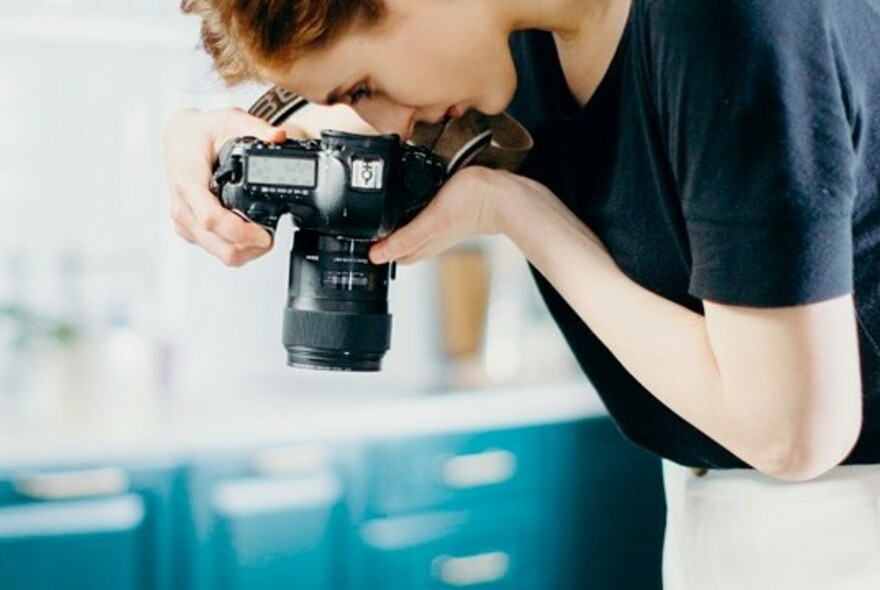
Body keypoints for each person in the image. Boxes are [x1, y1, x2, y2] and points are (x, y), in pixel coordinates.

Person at [164, 0, 880, 587]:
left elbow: (794, 432)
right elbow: (312, 108)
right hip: (718, 510)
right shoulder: (515, 42)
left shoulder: (727, 22)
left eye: (361, 87)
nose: (382, 123)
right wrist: (197, 135)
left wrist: (522, 215)